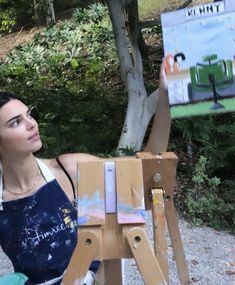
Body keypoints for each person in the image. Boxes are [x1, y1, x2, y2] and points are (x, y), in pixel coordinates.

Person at [0, 64, 170, 285]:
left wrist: (165, 100)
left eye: (29, 115)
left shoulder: (69, 171)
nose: (32, 124)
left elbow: (145, 177)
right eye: (16, 123)